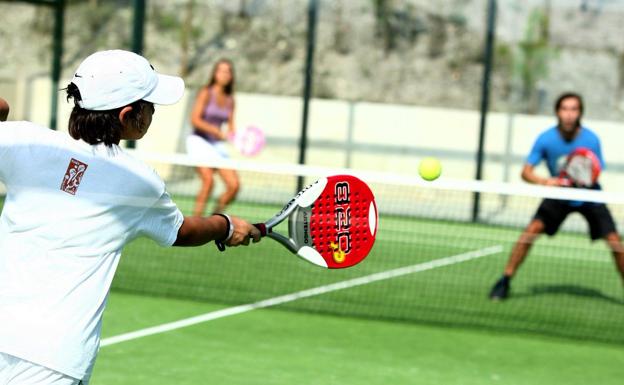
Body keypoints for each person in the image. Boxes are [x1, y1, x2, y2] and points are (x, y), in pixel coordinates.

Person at [0, 50, 261, 385]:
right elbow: (182, 231)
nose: (153, 112)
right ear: (127, 115)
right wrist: (224, 225)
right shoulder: (139, 181)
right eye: (149, 105)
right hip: (55, 359)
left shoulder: (22, 140)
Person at [489, 92, 624, 300]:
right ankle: (504, 281)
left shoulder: (591, 139)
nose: (569, 114)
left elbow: (596, 170)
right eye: (565, 109)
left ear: (580, 113)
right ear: (557, 112)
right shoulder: (546, 139)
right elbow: (525, 172)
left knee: (615, 242)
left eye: (574, 109)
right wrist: (546, 182)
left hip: (589, 195)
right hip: (559, 193)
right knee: (530, 232)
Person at [188, 59, 239, 216]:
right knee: (208, 182)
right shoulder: (206, 92)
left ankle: (214, 220)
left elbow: (231, 128)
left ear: (231, 76)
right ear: (215, 73)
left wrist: (240, 139)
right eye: (221, 70)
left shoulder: (231, 100)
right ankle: (196, 223)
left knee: (234, 185)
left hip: (216, 145)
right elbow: (195, 119)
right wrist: (214, 130)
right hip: (198, 141)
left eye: (228, 71)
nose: (224, 74)